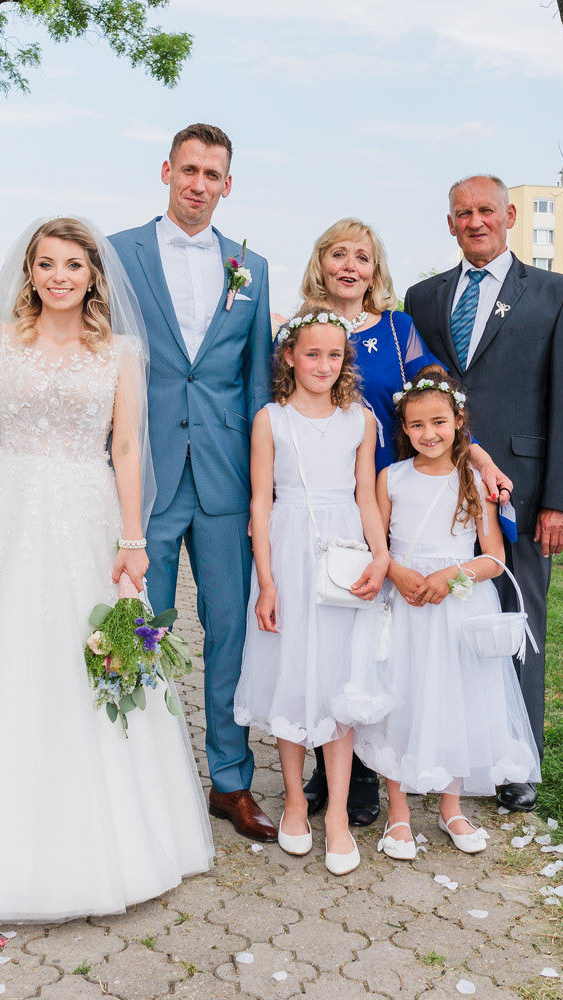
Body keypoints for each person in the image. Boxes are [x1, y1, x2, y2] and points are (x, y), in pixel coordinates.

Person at [0, 217, 212, 921]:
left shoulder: (120, 353)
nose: (60, 276)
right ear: (29, 272)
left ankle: (117, 839)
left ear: (93, 277)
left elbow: (125, 447)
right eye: (47, 263)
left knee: (93, 658)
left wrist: (132, 537)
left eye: (73, 265)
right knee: (1, 655)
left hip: (89, 514)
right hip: (12, 512)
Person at [293, 218, 512, 827]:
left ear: (375, 269)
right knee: (331, 631)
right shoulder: (303, 330)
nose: (350, 266)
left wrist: (478, 458)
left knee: (376, 638)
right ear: (321, 262)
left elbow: (438, 396)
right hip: (327, 497)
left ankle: (369, 769)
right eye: (338, 254)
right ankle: (328, 766)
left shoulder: (398, 330)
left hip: (392, 493)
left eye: (362, 257)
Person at [109, 124, 279, 842]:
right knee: (141, 625)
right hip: (143, 474)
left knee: (229, 629)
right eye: (188, 170)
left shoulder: (251, 267)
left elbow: (257, 382)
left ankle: (230, 782)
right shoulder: (117, 253)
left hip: (224, 476)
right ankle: (137, 775)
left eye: (212, 174)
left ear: (227, 184)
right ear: (166, 172)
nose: (199, 184)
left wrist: (263, 485)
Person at [403, 175, 563, 813]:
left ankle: (516, 762)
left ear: (509, 216)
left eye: (486, 210)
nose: (475, 221)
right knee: (442, 626)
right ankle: (440, 752)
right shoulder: (424, 297)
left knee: (518, 622)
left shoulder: (558, 294)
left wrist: (560, 500)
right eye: (463, 213)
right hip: (441, 488)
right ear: (449, 223)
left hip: (523, 492)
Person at [354, 369, 541, 859]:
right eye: (417, 425)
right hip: (404, 606)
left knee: (458, 701)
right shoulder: (392, 478)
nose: (429, 433)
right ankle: (398, 812)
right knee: (401, 699)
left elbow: (494, 558)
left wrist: (451, 576)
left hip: (457, 608)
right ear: (404, 429)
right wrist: (396, 571)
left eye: (438, 422)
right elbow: (376, 542)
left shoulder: (473, 481)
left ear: (459, 421)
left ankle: (450, 806)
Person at [232, 313, 391, 874]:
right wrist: (267, 581)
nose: (323, 366)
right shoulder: (270, 420)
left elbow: (366, 496)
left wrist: (380, 555)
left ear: (345, 361)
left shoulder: (359, 420)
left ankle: (339, 815)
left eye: (334, 356)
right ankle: (296, 801)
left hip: (344, 551)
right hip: (290, 551)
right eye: (312, 354)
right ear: (289, 357)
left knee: (340, 679)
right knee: (293, 672)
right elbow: (260, 502)